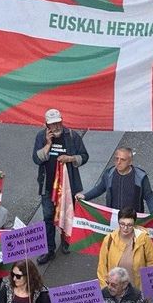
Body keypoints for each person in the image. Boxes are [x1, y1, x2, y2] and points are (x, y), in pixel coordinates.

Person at [32, 108, 89, 265]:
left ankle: (66, 240)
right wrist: (48, 145)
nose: (56, 127)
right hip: (48, 187)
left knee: (67, 214)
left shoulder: (72, 136)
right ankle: (49, 250)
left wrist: (71, 158)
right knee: (48, 218)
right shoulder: (41, 137)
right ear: (47, 126)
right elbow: (36, 159)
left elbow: (85, 156)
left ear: (62, 121)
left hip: (68, 186)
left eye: (58, 123)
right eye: (52, 125)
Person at [96, 206, 153, 291]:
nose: (125, 228)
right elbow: (102, 267)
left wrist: (147, 285)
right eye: (122, 224)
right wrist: (105, 289)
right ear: (118, 222)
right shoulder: (108, 239)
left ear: (134, 224)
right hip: (115, 291)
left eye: (129, 225)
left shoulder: (144, 239)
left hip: (137, 291)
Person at [77, 147, 153, 214]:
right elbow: (100, 188)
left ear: (130, 162)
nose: (118, 162)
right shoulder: (109, 174)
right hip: (113, 218)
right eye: (116, 159)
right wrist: (85, 196)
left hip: (133, 219)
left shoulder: (140, 176)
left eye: (123, 160)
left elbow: (149, 196)